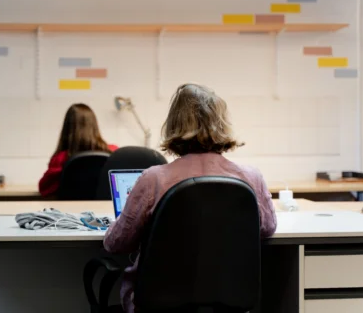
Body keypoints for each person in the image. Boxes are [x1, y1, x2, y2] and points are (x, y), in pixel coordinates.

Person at [103, 83, 277, 313]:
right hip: (229, 303)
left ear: (174, 125)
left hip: (158, 305)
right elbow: (267, 229)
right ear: (222, 124)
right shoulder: (250, 177)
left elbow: (116, 244)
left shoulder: (154, 179)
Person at [38, 104, 118, 197]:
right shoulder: (113, 152)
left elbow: (44, 189)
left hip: (70, 210)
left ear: (67, 127)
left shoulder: (61, 158)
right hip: (105, 209)